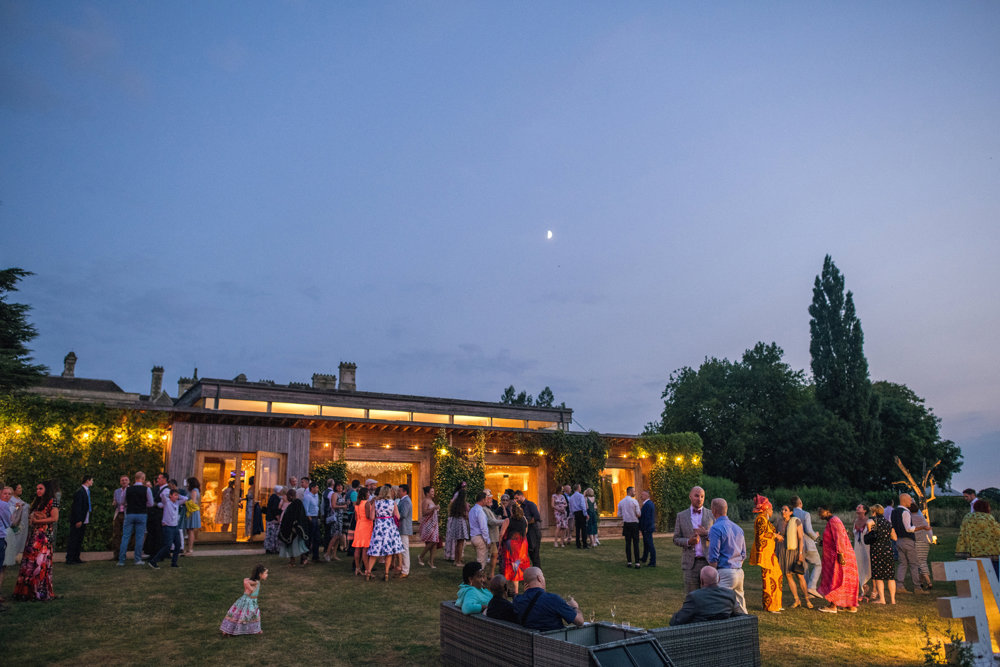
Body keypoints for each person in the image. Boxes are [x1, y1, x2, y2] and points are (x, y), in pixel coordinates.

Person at [13, 480, 58, 601]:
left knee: (40, 562)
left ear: (46, 490)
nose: (38, 491)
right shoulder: (37, 502)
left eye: (40, 489)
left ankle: (39, 591)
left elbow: (54, 518)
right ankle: (26, 591)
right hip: (33, 534)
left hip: (43, 536)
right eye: (37, 488)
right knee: (29, 561)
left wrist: (37, 521)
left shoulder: (52, 501)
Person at [816, 503, 859, 613]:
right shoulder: (832, 521)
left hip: (840, 556)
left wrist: (841, 555)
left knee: (836, 579)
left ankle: (833, 606)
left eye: (820, 511)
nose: (818, 513)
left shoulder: (834, 521)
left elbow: (839, 538)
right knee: (845, 580)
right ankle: (850, 606)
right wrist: (823, 542)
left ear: (827, 511)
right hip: (840, 555)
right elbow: (833, 539)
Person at [669, 565, 746, 626]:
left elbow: (676, 621)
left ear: (701, 581)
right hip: (722, 638)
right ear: (718, 579)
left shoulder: (694, 597)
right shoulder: (730, 594)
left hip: (699, 640)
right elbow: (737, 615)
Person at [707, 497, 747, 613]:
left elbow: (714, 555)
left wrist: (713, 575)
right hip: (739, 571)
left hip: (724, 572)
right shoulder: (738, 528)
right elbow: (743, 554)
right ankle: (747, 627)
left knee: (719, 606)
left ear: (714, 510)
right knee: (740, 606)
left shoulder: (716, 528)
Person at [512, 567, 584, 630]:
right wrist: (575, 607)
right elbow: (580, 621)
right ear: (539, 578)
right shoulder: (553, 599)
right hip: (553, 643)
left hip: (529, 642)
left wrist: (527, 593)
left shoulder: (517, 600)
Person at [674, 486, 714, 593]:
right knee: (691, 598)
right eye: (696, 496)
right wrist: (688, 542)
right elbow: (676, 538)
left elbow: (720, 536)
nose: (699, 499)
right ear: (690, 496)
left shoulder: (711, 515)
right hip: (690, 564)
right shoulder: (681, 516)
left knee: (708, 597)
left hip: (708, 562)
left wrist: (706, 534)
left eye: (702, 496)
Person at [749, 495, 782, 612]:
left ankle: (776, 603)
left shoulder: (765, 520)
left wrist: (775, 535)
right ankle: (769, 605)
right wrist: (775, 535)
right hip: (765, 555)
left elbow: (769, 531)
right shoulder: (760, 519)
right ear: (766, 509)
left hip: (770, 554)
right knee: (768, 580)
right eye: (771, 509)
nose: (772, 511)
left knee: (777, 576)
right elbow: (761, 535)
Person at [367, 484, 404, 581]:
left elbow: (371, 517)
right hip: (390, 527)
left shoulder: (376, 502)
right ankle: (386, 574)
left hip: (379, 527)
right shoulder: (393, 503)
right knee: (389, 552)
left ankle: (368, 573)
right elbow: (398, 516)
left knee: (375, 551)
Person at [892, 493, 928, 594]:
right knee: (913, 564)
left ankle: (899, 586)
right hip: (907, 540)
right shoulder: (905, 512)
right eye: (910, 500)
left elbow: (892, 526)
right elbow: (909, 528)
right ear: (904, 500)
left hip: (898, 541)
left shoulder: (894, 511)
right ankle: (917, 588)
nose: (911, 502)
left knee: (902, 563)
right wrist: (923, 527)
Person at [955, 499, 1000, 579]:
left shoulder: (967, 517)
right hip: (990, 552)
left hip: (972, 552)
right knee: (994, 575)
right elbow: (997, 532)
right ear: (986, 508)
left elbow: (963, 533)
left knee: (976, 577)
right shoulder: (989, 518)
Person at [777, 504, 810, 608]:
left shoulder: (796, 521)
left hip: (795, 551)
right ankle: (797, 600)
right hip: (783, 551)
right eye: (782, 509)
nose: (783, 511)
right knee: (788, 575)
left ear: (791, 512)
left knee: (799, 575)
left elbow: (801, 538)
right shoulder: (779, 522)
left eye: (786, 510)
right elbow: (776, 534)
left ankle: (807, 599)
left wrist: (800, 554)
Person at [220, 564, 268, 635]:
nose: (267, 575)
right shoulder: (255, 582)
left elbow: (245, 580)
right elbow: (245, 581)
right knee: (249, 614)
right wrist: (251, 589)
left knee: (250, 614)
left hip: (252, 600)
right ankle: (229, 630)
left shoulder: (256, 582)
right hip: (248, 600)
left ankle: (255, 629)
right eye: (266, 573)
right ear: (260, 574)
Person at [118, 471, 154, 566]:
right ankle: (137, 559)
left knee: (125, 537)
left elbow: (121, 501)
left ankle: (121, 560)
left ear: (134, 478)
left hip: (129, 514)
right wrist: (142, 504)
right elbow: (151, 503)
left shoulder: (127, 489)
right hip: (141, 514)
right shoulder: (146, 489)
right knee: (139, 537)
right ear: (143, 479)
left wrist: (128, 503)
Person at [863, 504, 896, 604]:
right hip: (888, 549)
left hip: (877, 550)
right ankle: (893, 600)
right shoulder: (888, 523)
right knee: (890, 576)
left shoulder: (871, 521)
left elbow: (871, 534)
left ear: (874, 512)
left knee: (878, 576)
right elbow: (895, 537)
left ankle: (882, 599)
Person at [791, 496, 822, 598]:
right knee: (818, 564)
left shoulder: (791, 515)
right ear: (800, 503)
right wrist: (816, 537)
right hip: (808, 544)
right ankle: (811, 587)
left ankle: (807, 591)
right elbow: (808, 530)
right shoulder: (805, 514)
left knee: (805, 568)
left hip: (796, 545)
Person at [148, 487, 184, 569]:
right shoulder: (167, 502)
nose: (176, 497)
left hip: (175, 527)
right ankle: (153, 561)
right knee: (167, 545)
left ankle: (174, 563)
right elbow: (163, 495)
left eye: (177, 495)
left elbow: (185, 498)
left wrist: (179, 496)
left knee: (178, 545)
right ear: (170, 495)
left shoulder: (177, 503)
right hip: (168, 527)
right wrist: (169, 495)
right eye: (175, 495)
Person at [65, 475, 93, 565]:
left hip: (84, 518)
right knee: (74, 538)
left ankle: (76, 557)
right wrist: (78, 520)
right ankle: (70, 558)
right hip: (79, 519)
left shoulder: (86, 491)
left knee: (79, 538)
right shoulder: (80, 492)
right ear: (87, 481)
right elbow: (77, 507)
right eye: (91, 480)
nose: (92, 482)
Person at [278, 489, 310, 567]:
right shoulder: (294, 504)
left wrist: (295, 525)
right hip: (295, 528)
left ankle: (298, 560)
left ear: (291, 496)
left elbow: (296, 516)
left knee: (297, 545)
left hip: (295, 528)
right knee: (297, 545)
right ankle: (299, 560)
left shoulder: (296, 504)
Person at [503, 500, 530, 594]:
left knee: (512, 566)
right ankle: (518, 590)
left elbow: (501, 534)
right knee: (519, 565)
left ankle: (513, 591)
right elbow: (525, 532)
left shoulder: (508, 520)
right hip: (522, 545)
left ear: (511, 510)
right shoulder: (524, 519)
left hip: (512, 546)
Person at [516, 490, 542, 567]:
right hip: (526, 533)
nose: (516, 500)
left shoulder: (530, 504)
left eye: (517, 498)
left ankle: (538, 574)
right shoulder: (520, 507)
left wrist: (525, 523)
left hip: (534, 532)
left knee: (535, 555)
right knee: (529, 554)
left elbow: (537, 517)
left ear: (521, 496)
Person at [910, 503, 934, 590]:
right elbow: (929, 529)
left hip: (918, 542)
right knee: (923, 560)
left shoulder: (911, 518)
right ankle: (921, 582)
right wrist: (931, 540)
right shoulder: (921, 518)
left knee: (920, 562)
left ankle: (929, 582)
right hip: (925, 542)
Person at [4, 484, 29, 568]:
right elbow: (13, 511)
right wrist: (18, 508)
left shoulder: (18, 500)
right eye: (19, 488)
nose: (21, 489)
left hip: (20, 525)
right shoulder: (8, 502)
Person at [446, 485, 470, 567]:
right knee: (460, 543)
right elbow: (465, 515)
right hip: (461, 524)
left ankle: (456, 560)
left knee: (457, 543)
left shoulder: (455, 504)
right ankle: (459, 561)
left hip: (455, 523)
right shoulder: (463, 504)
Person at [618, 486, 641, 569]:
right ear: (630, 491)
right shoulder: (634, 501)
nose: (635, 492)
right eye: (634, 491)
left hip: (626, 524)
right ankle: (637, 563)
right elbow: (639, 514)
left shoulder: (621, 502)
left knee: (628, 543)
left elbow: (619, 514)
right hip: (634, 524)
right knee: (636, 543)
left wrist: (625, 514)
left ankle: (629, 562)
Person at [482, 490, 505, 578]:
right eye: (489, 498)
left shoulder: (488, 509)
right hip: (489, 537)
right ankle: (486, 575)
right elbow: (490, 522)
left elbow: (493, 519)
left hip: (493, 537)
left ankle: (491, 574)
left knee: (494, 555)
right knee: (489, 556)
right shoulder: (484, 509)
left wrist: (497, 518)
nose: (491, 500)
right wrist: (504, 521)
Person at [852, 504, 872, 601]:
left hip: (866, 547)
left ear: (864, 510)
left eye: (859, 507)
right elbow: (853, 535)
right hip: (857, 547)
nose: (857, 508)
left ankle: (870, 587)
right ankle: (862, 587)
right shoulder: (855, 521)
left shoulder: (869, 521)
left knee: (867, 565)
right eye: (857, 507)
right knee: (858, 566)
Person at [351, 488, 373, 575]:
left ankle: (357, 568)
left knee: (357, 548)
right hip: (366, 527)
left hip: (359, 526)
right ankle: (368, 570)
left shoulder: (357, 504)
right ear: (365, 494)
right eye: (368, 493)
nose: (369, 495)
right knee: (365, 549)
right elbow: (368, 516)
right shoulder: (366, 503)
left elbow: (356, 518)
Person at [417, 486, 439, 568]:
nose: (433, 493)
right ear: (427, 493)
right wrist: (434, 509)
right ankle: (421, 556)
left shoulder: (431, 501)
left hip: (434, 524)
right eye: (432, 492)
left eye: (433, 491)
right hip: (428, 524)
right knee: (432, 541)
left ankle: (431, 562)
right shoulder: (426, 501)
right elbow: (424, 513)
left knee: (435, 542)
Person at [324, 482, 346, 562]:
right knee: (335, 536)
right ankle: (327, 553)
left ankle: (334, 554)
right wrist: (343, 506)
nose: (340, 487)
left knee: (338, 536)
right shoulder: (335, 494)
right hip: (336, 517)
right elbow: (333, 506)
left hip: (340, 517)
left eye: (341, 485)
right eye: (338, 485)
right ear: (335, 487)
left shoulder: (341, 495)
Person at [469, 491, 491, 568]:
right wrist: (487, 540)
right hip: (479, 538)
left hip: (473, 536)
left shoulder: (472, 509)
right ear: (482, 500)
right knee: (482, 561)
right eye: (486, 499)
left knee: (480, 559)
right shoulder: (480, 511)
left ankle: (479, 577)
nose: (487, 501)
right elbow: (483, 527)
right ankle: (479, 578)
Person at [182, 477, 202, 556]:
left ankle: (190, 549)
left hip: (191, 511)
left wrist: (185, 502)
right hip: (190, 510)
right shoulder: (193, 490)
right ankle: (188, 549)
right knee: (188, 530)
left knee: (190, 530)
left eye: (188, 483)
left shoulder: (194, 491)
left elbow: (192, 502)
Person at [638, 489, 657, 567]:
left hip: (647, 528)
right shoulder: (648, 504)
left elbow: (647, 518)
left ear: (646, 496)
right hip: (647, 527)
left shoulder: (648, 504)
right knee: (646, 543)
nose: (641, 496)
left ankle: (652, 561)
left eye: (642, 495)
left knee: (650, 544)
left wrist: (643, 528)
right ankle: (644, 557)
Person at [263, 485, 283, 554]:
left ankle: (268, 548)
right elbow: (275, 509)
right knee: (273, 534)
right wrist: (278, 518)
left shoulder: (272, 497)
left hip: (269, 518)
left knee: (269, 534)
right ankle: (272, 548)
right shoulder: (276, 499)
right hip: (273, 519)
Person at [0, 486, 12, 603]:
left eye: (9, 494)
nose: (7, 496)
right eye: (5, 493)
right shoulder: (3, 505)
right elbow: (8, 522)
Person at [569, 484, 588, 549]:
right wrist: (585, 514)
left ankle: (578, 544)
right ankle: (584, 544)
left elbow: (570, 507)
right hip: (581, 513)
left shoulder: (571, 497)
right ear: (578, 488)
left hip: (576, 513)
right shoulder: (580, 496)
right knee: (583, 529)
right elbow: (583, 505)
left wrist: (572, 515)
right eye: (580, 487)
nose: (580, 488)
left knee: (577, 529)